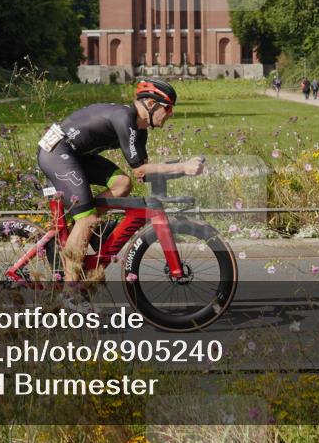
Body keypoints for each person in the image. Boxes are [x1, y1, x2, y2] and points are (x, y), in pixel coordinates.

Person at [37, 78, 204, 311]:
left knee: (122, 183)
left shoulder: (139, 131)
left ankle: (85, 226)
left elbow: (141, 175)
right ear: (150, 104)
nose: (171, 115)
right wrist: (182, 166)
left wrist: (181, 171)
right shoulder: (124, 118)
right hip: (57, 152)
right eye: (168, 108)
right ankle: (69, 294)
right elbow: (142, 169)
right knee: (87, 219)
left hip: (76, 155)